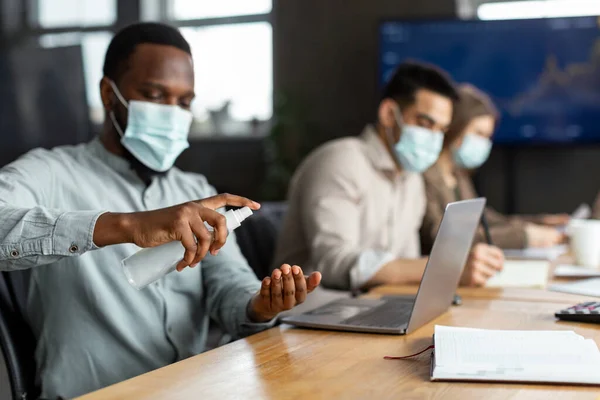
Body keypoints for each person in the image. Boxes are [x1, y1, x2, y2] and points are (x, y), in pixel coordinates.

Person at [0, 23, 321, 399]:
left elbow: (229, 285)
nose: (172, 113)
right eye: (155, 95)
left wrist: (259, 305)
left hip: (194, 390)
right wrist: (126, 225)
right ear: (109, 94)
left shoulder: (195, 190)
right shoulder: (51, 173)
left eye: (184, 102)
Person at [272, 62, 504, 292]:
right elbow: (334, 263)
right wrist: (446, 268)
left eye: (441, 130)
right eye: (425, 124)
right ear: (389, 114)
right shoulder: (340, 161)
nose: (434, 139)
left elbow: (405, 263)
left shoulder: (411, 178)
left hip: (374, 305)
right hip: (311, 313)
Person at [420, 84, 568, 253]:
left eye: (487, 137)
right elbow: (444, 237)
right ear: (455, 127)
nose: (483, 143)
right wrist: (523, 236)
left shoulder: (457, 174)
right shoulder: (424, 174)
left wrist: (538, 223)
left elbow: (483, 219)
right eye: (478, 133)